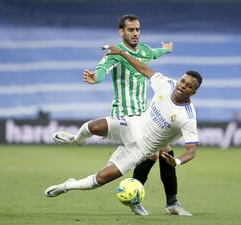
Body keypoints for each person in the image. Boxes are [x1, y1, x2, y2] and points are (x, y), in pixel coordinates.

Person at [45, 45, 202, 217]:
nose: (182, 86)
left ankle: (67, 186)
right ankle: (76, 140)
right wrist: (121, 52)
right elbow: (143, 68)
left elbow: (192, 150)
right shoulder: (165, 84)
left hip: (140, 150)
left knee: (101, 179)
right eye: (182, 81)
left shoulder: (187, 117)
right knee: (93, 127)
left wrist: (177, 162)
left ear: (193, 92)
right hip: (132, 125)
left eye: (188, 86)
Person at [82, 14, 191, 216]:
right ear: (121, 31)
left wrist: (167, 48)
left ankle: (169, 203)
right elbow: (102, 71)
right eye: (130, 30)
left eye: (138, 29)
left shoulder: (144, 51)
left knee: (164, 150)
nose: (135, 33)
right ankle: (152, 200)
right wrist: (94, 77)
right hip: (125, 115)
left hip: (143, 114)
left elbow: (155, 53)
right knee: (154, 151)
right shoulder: (116, 52)